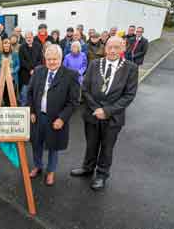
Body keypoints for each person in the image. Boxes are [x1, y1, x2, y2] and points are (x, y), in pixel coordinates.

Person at [70, 37, 138, 191]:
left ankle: (101, 175)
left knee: (107, 148)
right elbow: (85, 88)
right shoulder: (95, 64)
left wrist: (107, 111)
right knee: (91, 144)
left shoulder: (131, 68)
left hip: (113, 117)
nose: (113, 50)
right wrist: (97, 109)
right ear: (105, 48)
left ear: (123, 49)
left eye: (117, 47)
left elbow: (129, 95)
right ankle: (87, 168)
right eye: (110, 47)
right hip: (92, 114)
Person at [27, 44, 79, 186]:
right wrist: (31, 111)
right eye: (48, 59)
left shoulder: (71, 75)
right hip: (38, 116)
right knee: (36, 144)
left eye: (54, 59)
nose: (51, 62)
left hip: (56, 119)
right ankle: (38, 166)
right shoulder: (38, 71)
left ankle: (51, 171)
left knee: (53, 146)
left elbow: (73, 102)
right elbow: (30, 93)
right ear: (45, 58)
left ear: (61, 58)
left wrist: (62, 118)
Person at [18, 31, 43, 106]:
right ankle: (23, 108)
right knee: (24, 93)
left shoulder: (38, 46)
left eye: (30, 37)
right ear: (25, 38)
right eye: (27, 37)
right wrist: (30, 69)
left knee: (35, 92)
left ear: (33, 37)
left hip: (36, 73)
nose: (29, 39)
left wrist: (34, 69)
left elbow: (40, 59)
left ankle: (33, 109)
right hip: (25, 74)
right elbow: (22, 60)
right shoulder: (22, 47)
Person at [0, 38, 20, 106]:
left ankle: (11, 111)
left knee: (11, 95)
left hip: (12, 78)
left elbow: (18, 65)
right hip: (0, 78)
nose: (6, 45)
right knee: (3, 96)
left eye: (8, 44)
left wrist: (12, 71)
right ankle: (4, 110)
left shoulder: (14, 54)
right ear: (2, 45)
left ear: (10, 45)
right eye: (5, 44)